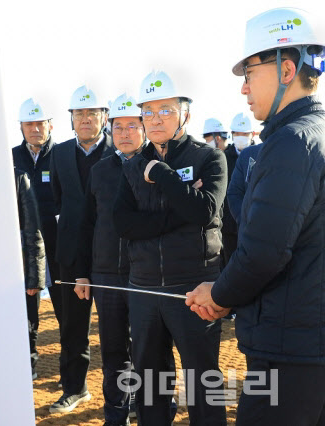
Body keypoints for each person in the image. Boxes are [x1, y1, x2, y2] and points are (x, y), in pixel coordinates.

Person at [186, 8, 325, 425]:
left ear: (286, 69)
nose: (244, 89)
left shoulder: (292, 143)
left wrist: (219, 294)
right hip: (315, 340)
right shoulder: (321, 135)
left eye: (250, 73)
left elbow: (263, 253)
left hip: (292, 345)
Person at [112, 70, 228, 426]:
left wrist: (162, 174)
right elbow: (123, 224)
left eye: (165, 110)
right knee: (150, 385)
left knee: (203, 381)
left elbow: (206, 210)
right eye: (148, 111)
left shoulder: (210, 158)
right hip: (145, 286)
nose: (155, 119)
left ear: (184, 113)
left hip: (194, 285)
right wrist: (179, 208)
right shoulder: (132, 166)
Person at [74, 94, 145, 426]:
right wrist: (83, 273)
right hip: (106, 277)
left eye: (132, 126)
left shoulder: (157, 168)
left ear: (144, 128)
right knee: (114, 351)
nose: (125, 133)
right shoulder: (100, 170)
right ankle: (116, 417)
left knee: (149, 352)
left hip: (147, 277)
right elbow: (87, 225)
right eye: (119, 127)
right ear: (110, 128)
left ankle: (149, 412)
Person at [49, 85, 114, 414]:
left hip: (111, 254)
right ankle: (74, 389)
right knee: (72, 328)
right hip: (71, 255)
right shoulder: (59, 153)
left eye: (91, 112)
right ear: (71, 119)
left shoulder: (119, 151)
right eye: (78, 114)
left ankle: (123, 399)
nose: (85, 119)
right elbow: (59, 199)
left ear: (104, 116)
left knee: (118, 331)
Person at [12, 98, 63, 332]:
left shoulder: (63, 156)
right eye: (29, 124)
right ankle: (28, 365)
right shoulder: (10, 158)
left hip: (57, 246)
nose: (35, 129)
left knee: (67, 315)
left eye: (40, 124)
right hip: (25, 250)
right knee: (26, 318)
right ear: (21, 127)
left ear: (50, 125)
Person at [13, 167, 46, 381]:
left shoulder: (18, 177)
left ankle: (28, 365)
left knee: (27, 322)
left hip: (19, 268)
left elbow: (33, 231)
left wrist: (35, 278)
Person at [220, 113, 251, 267]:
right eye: (238, 134)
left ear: (252, 135)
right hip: (229, 224)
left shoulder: (263, 154)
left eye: (245, 134)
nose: (241, 137)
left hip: (254, 223)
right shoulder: (223, 158)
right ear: (232, 135)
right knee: (230, 266)